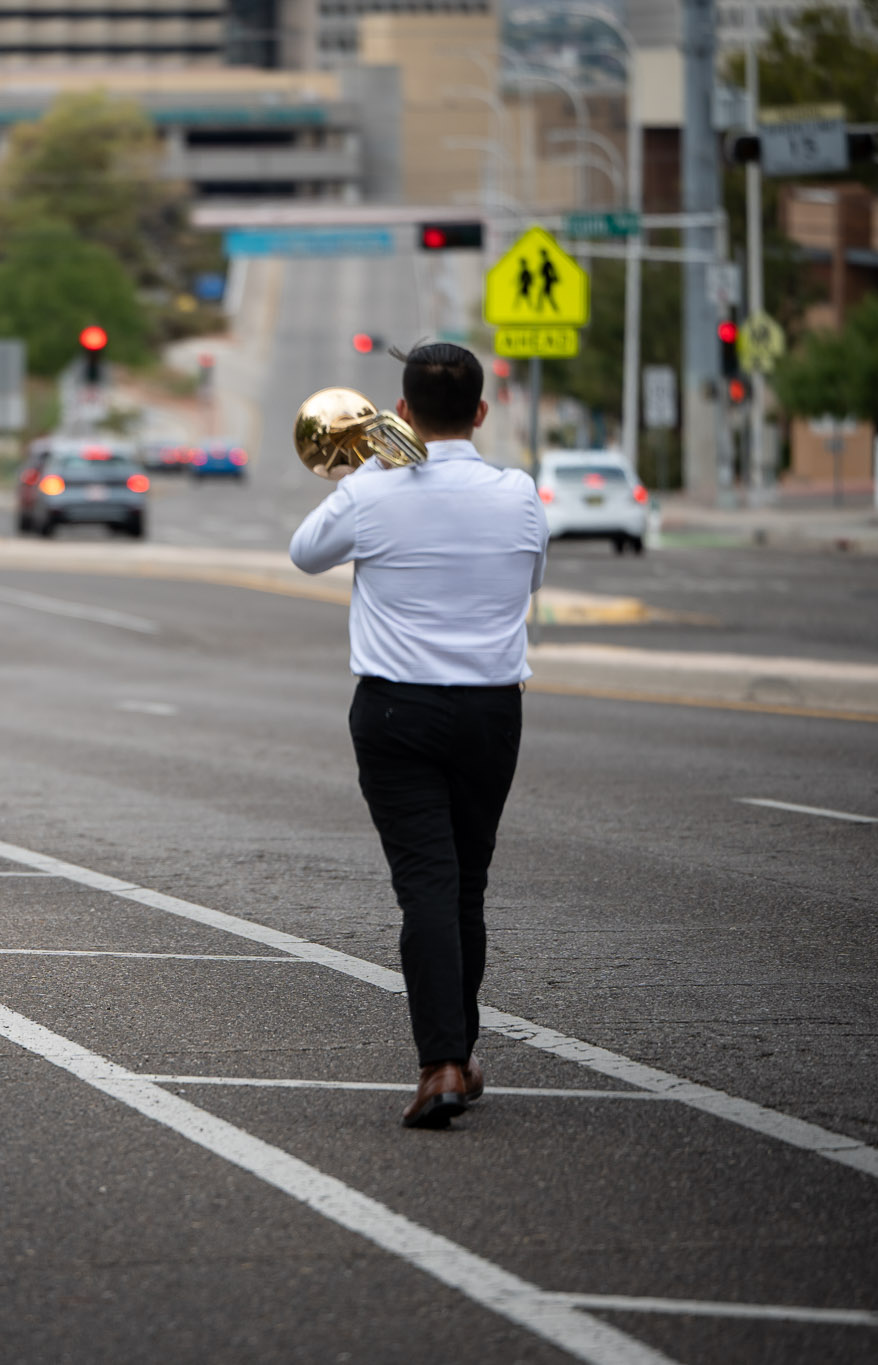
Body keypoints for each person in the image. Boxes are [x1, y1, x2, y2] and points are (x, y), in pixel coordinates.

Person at [287, 342, 548, 1130]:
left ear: (399, 414)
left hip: (397, 713)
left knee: (426, 884)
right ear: (480, 412)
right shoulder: (520, 491)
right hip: (492, 711)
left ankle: (441, 1063)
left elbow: (305, 555)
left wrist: (374, 466)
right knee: (466, 883)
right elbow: (529, 580)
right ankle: (460, 1056)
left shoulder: (374, 489)